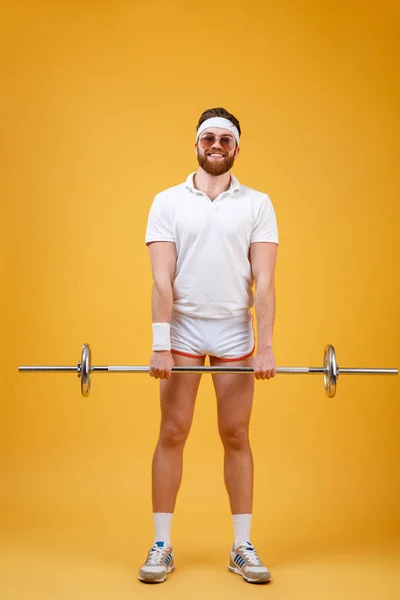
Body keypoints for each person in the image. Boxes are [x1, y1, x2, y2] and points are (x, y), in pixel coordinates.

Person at [139, 107, 279, 584]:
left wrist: (266, 345)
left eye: (225, 139)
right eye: (208, 138)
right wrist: (161, 345)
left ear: (237, 148)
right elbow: (161, 279)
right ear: (196, 145)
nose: (216, 145)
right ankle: (161, 545)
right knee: (173, 432)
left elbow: (264, 281)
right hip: (182, 330)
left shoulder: (258, 203)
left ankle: (241, 546)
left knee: (236, 435)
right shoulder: (166, 201)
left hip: (235, 331)